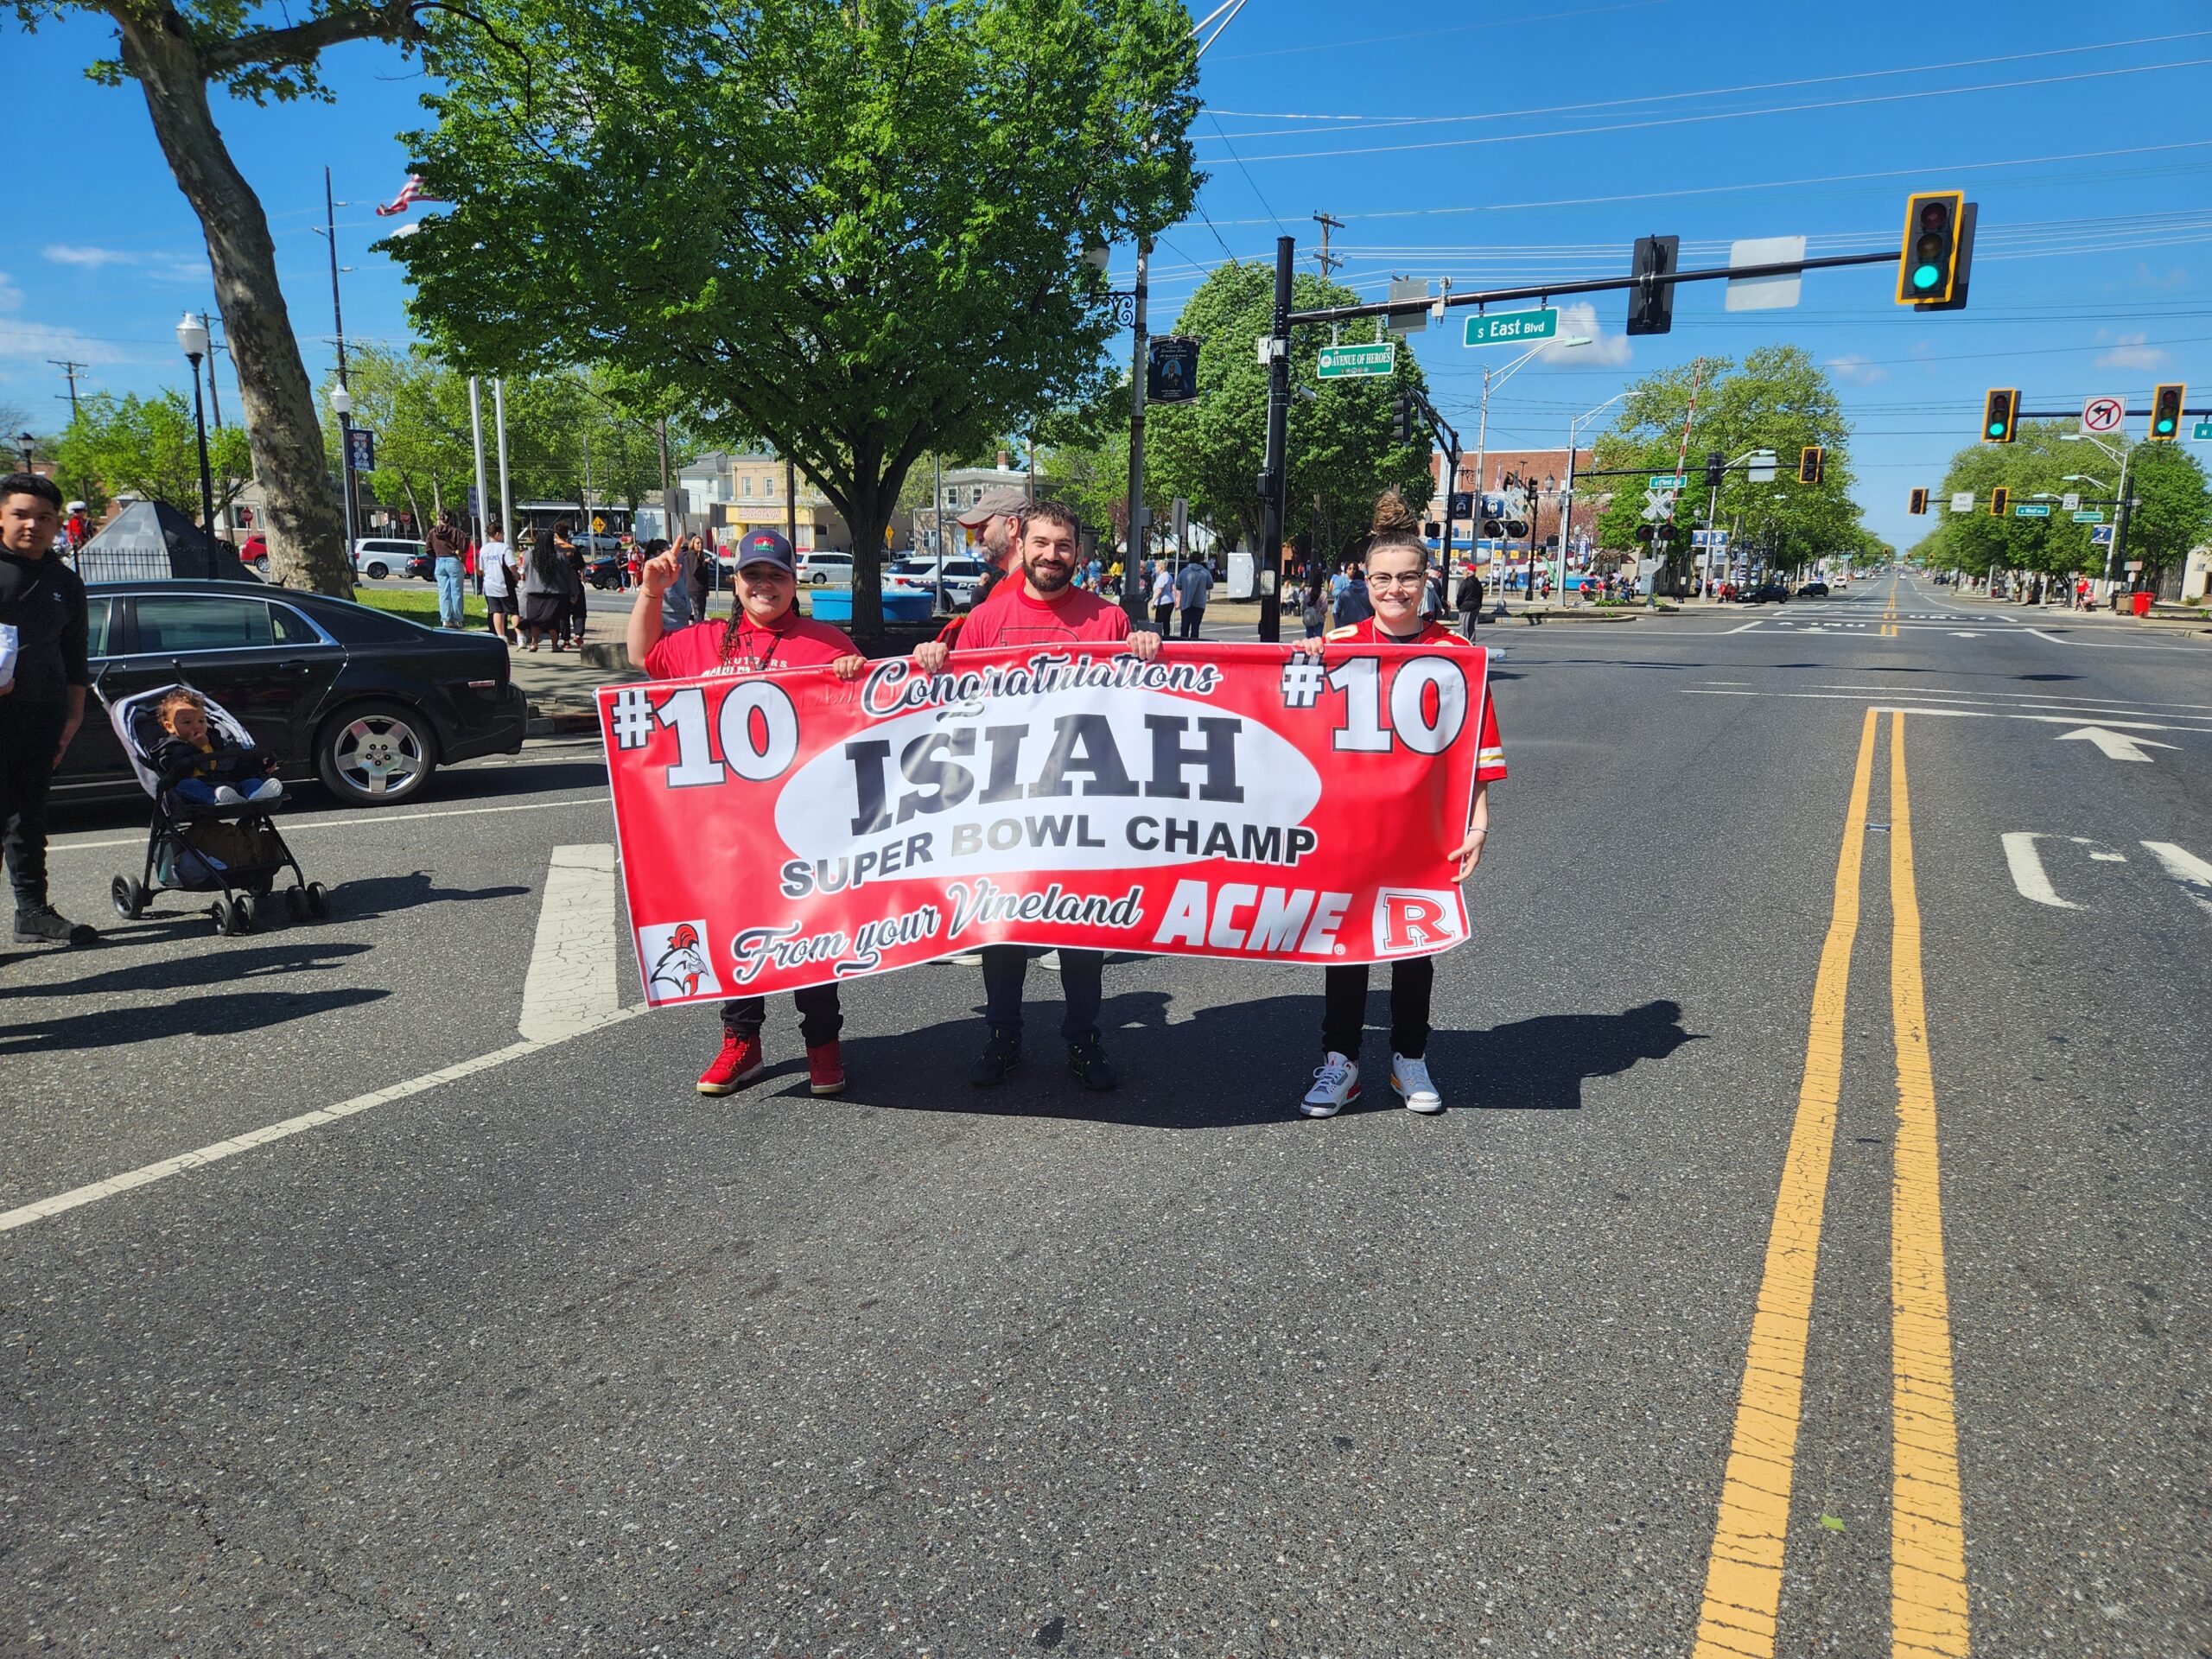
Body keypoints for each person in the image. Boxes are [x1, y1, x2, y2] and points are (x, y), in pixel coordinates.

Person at [911, 501, 1162, 1092]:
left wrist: (1150, 648)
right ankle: (1003, 1037)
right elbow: (952, 709)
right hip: (1005, 805)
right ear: (1021, 545)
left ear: (1079, 552)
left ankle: (1083, 1040)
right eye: (1043, 543)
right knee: (1005, 933)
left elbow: (1145, 704)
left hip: (1083, 806)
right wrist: (932, 662)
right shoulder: (985, 620)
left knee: (1081, 936)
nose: (1053, 555)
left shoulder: (1107, 620)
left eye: (1065, 546)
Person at [627, 529, 871, 1098]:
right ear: (735, 583)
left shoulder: (825, 642)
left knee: (809, 933)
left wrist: (852, 676)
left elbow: (867, 714)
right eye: (753, 575)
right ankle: (743, 1044)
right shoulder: (702, 640)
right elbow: (642, 658)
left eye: (777, 575)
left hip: (802, 825)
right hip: (723, 829)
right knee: (737, 932)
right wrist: (651, 592)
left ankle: (823, 1046)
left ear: (794, 583)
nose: (765, 585)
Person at [1288, 490, 1504, 1119]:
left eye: (1407, 577)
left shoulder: (1457, 659)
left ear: (1424, 579)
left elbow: (1476, 753)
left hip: (1421, 828)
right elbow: (1287, 716)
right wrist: (1302, 665)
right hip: (1349, 826)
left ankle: (1409, 1057)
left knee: (1414, 948)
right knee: (1347, 944)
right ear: (1366, 579)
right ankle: (1341, 1062)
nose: (1394, 589)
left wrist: (1479, 822)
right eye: (1382, 578)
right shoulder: (1338, 645)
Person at [0, 473, 96, 946]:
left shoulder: (64, 581)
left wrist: (73, 714)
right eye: (20, 514)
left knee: (28, 815)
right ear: (1, 516)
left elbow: (75, 654)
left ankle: (32, 912)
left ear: (57, 522)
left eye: (43, 517)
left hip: (42, 713)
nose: (32, 525)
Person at [149, 689, 283, 806]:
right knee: (187, 785)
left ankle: (257, 795)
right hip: (196, 788)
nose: (196, 726)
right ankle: (216, 799)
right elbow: (172, 771)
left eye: (201, 721)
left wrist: (261, 765)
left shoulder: (216, 739)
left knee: (251, 781)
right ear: (170, 727)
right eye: (187, 722)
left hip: (227, 784)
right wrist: (194, 747)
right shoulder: (169, 747)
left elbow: (235, 761)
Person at [519, 528, 569, 652]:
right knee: (553, 622)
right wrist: (572, 592)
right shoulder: (558, 557)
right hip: (553, 594)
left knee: (535, 620)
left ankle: (534, 643)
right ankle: (554, 645)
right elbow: (566, 575)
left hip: (534, 593)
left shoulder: (529, 555)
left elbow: (524, 569)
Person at [478, 520, 518, 642]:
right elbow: (511, 565)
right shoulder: (504, 548)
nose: (503, 535)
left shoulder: (484, 549)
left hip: (489, 585)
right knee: (514, 611)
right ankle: (520, 636)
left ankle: (501, 636)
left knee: (496, 611)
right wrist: (516, 575)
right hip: (504, 584)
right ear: (497, 534)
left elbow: (481, 568)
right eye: (502, 533)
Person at [1173, 553, 1212, 639]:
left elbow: (1178, 585)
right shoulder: (1205, 572)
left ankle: (1183, 646)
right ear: (1200, 560)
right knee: (1195, 628)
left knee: (1184, 627)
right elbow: (1210, 585)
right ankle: (1194, 646)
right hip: (1200, 604)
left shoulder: (1184, 572)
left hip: (1186, 603)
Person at [682, 532, 715, 621]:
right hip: (695, 590)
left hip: (699, 590)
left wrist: (706, 589)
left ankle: (696, 629)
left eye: (701, 543)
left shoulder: (698, 555)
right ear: (692, 544)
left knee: (699, 614)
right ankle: (697, 632)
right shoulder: (692, 555)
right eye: (697, 543)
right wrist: (705, 563)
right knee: (698, 616)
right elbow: (696, 571)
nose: (700, 545)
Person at [1457, 567, 1484, 643]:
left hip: (1466, 607)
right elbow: (1481, 595)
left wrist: (1459, 605)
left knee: (1464, 627)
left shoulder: (1465, 582)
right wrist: (1479, 605)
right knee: (1471, 626)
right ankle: (1472, 642)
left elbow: (1460, 595)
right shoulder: (1478, 583)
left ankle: (1463, 642)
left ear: (1468, 572)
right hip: (1475, 607)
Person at [1150, 560, 1175, 633]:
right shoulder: (1167, 575)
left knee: (1159, 623)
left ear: (1161, 567)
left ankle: (1159, 637)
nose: (1155, 568)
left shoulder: (1163, 576)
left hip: (1164, 602)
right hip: (1169, 601)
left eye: (1157, 566)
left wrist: (1153, 601)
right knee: (1166, 622)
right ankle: (1167, 637)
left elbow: (1159, 590)